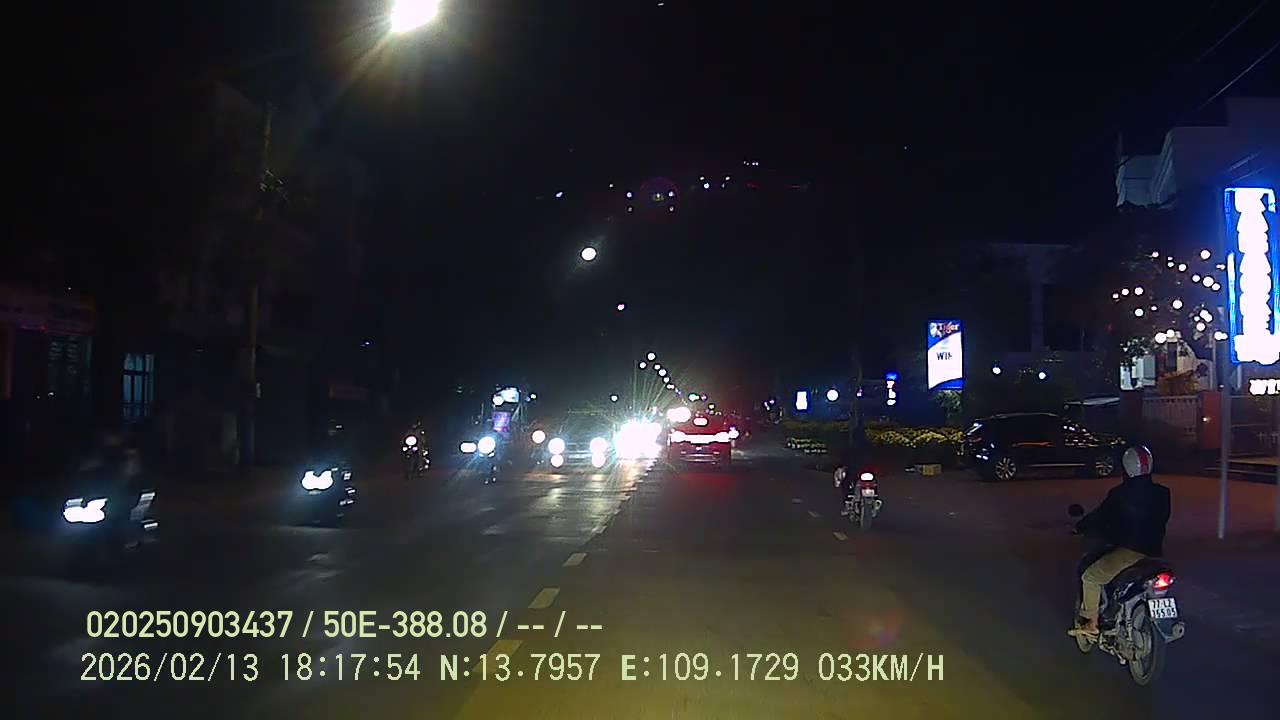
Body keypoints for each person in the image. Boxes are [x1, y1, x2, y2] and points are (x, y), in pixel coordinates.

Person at [1069, 445, 1171, 638]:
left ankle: (1090, 623)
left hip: (1129, 551)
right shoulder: (1163, 493)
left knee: (1090, 577)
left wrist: (1081, 526)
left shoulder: (1119, 494)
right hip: (1155, 552)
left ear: (1126, 466)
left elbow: (1101, 516)